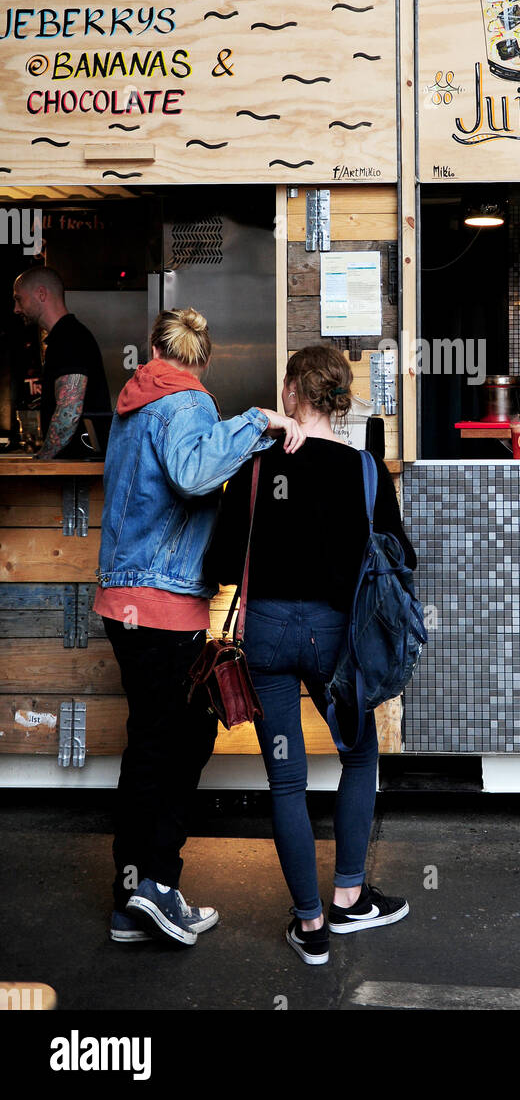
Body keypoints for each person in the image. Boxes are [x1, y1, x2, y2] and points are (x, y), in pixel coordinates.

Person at [95, 306, 305, 948]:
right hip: (160, 605)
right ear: (204, 360)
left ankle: (137, 897)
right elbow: (191, 475)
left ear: (152, 350)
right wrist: (260, 419)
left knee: (156, 743)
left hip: (123, 602)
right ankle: (152, 885)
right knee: (177, 743)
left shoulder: (134, 402)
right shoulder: (186, 403)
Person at [204, 344, 417, 966]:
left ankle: (311, 925)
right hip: (335, 640)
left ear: (294, 392)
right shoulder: (365, 471)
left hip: (266, 636)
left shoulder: (252, 466)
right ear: (339, 399)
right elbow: (400, 558)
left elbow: (219, 565)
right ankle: (350, 898)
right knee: (358, 755)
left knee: (286, 780)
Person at [12, 265, 111, 460]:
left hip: (77, 471)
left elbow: (69, 412)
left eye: (18, 299)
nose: (16, 309)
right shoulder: (65, 337)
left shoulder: (69, 338)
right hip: (75, 467)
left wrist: (43, 459)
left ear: (41, 294)